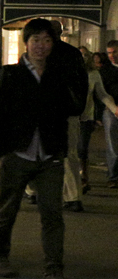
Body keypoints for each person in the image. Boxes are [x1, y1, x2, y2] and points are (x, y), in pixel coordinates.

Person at [0, 18, 84, 279]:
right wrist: (1, 152)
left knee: (53, 214)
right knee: (7, 209)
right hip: (17, 154)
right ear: (26, 43)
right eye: (36, 40)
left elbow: (72, 108)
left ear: (53, 44)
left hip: (50, 156)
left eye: (46, 40)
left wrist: (62, 149)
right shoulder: (9, 74)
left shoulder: (59, 75)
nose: (41, 46)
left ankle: (53, 270)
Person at [48, 20, 90, 212]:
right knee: (69, 155)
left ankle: (34, 192)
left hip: (47, 111)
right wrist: (78, 108)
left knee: (39, 150)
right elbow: (83, 83)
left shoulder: (42, 52)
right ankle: (73, 197)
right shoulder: (73, 54)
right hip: (69, 112)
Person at [79, 53, 116, 194]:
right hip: (68, 118)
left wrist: (114, 109)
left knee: (82, 148)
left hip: (85, 117)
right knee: (69, 151)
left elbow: (102, 94)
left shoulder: (93, 74)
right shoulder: (67, 72)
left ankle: (83, 178)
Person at [99, 40, 118, 189]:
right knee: (113, 145)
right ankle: (113, 175)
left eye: (115, 52)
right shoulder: (105, 71)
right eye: (109, 53)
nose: (112, 56)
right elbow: (102, 93)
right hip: (112, 110)